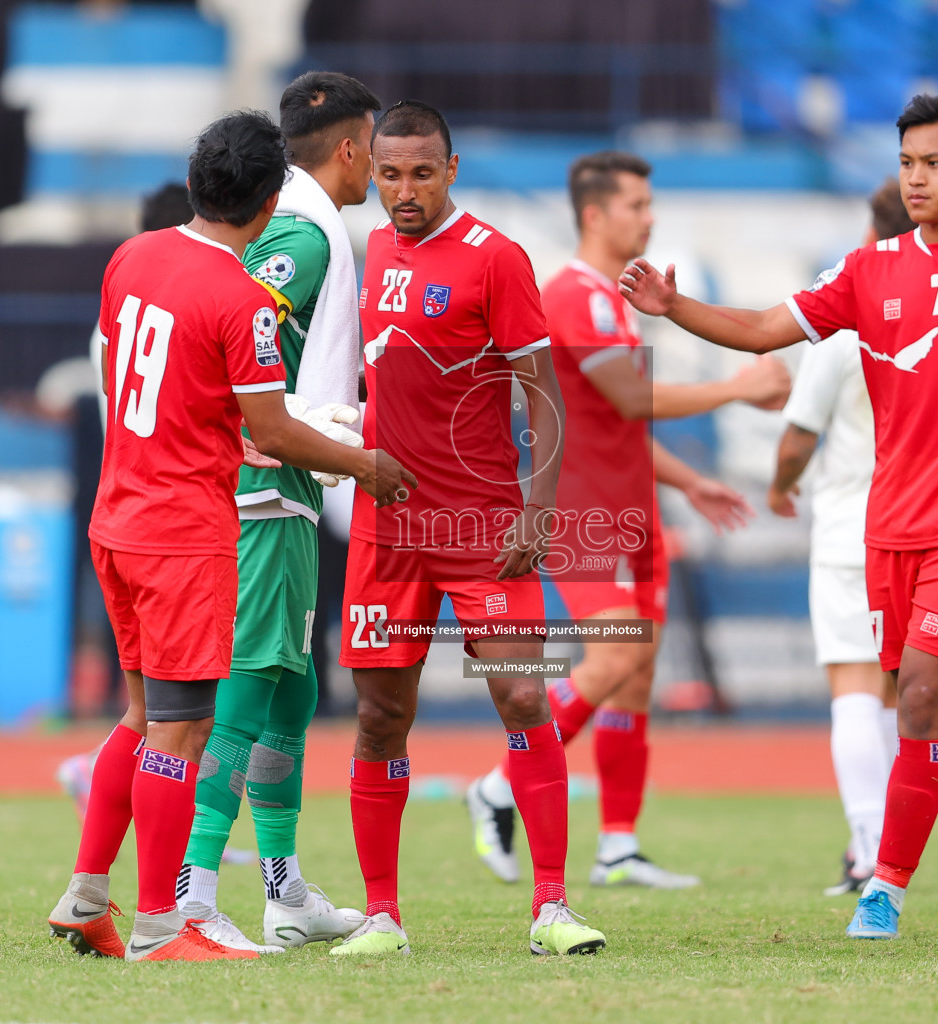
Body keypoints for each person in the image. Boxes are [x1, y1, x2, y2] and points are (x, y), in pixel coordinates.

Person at [620, 92, 938, 940]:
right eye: (906, 164)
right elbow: (759, 331)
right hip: (890, 528)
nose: (917, 178)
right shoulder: (868, 269)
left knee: (922, 699)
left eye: (934, 162)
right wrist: (674, 308)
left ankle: (882, 892)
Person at [46, 109, 412, 963]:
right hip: (183, 530)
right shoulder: (240, 299)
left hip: (116, 514)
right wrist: (365, 466)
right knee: (183, 728)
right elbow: (273, 433)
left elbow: (120, 369)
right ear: (268, 196)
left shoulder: (131, 256)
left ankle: (85, 893)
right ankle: (166, 925)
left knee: (140, 717)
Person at [463, 151, 788, 891]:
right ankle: (499, 785)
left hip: (634, 507)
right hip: (585, 515)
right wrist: (737, 385)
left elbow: (616, 426)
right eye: (637, 204)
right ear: (594, 214)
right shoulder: (573, 296)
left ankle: (617, 844)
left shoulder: (610, 299)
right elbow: (632, 401)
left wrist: (691, 480)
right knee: (610, 662)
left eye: (649, 203)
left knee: (636, 677)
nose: (649, 216)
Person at [333, 100, 605, 957]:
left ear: (452, 170)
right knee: (380, 716)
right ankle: (382, 915)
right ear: (371, 170)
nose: (403, 191)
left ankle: (553, 907)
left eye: (421, 173)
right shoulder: (370, 250)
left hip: (485, 524)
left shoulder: (497, 260)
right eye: (389, 174)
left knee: (524, 695)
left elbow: (542, 389)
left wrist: (540, 506)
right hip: (388, 529)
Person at [174, 71, 380, 953]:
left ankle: (284, 888)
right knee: (251, 681)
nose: (376, 163)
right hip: (259, 487)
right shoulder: (297, 230)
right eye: (374, 145)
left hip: (289, 485)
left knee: (291, 691)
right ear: (349, 147)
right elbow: (235, 318)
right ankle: (189, 892)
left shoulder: (305, 220)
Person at [767, 178, 914, 898]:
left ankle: (867, 854)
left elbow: (799, 436)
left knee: (854, 691)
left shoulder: (851, 309)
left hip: (854, 524)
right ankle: (899, 853)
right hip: (928, 520)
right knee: (900, 694)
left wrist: (778, 485)